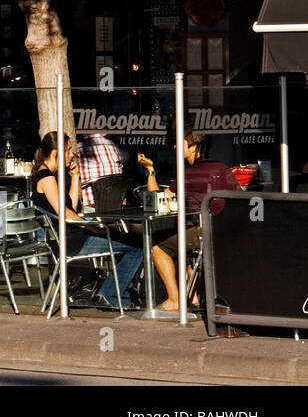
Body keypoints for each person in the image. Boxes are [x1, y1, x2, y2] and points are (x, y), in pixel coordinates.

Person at [31, 131, 144, 308]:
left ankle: (111, 292)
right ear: (55, 153)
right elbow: (65, 213)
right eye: (68, 150)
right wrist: (91, 226)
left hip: (71, 236)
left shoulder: (50, 176)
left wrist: (75, 177)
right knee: (138, 246)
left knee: (131, 242)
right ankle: (109, 294)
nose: (71, 155)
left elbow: (71, 206)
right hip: (70, 240)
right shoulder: (46, 178)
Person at [148, 132, 239, 312]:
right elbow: (240, 196)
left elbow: (158, 203)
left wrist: (150, 171)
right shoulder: (221, 167)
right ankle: (194, 297)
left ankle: (174, 300)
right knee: (188, 238)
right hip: (226, 230)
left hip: (205, 232)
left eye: (179, 143)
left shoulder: (188, 174)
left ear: (193, 147)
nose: (174, 147)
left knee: (159, 245)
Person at [76, 133, 123, 206]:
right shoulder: (113, 146)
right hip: (116, 204)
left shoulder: (77, 148)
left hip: (90, 207)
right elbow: (120, 173)